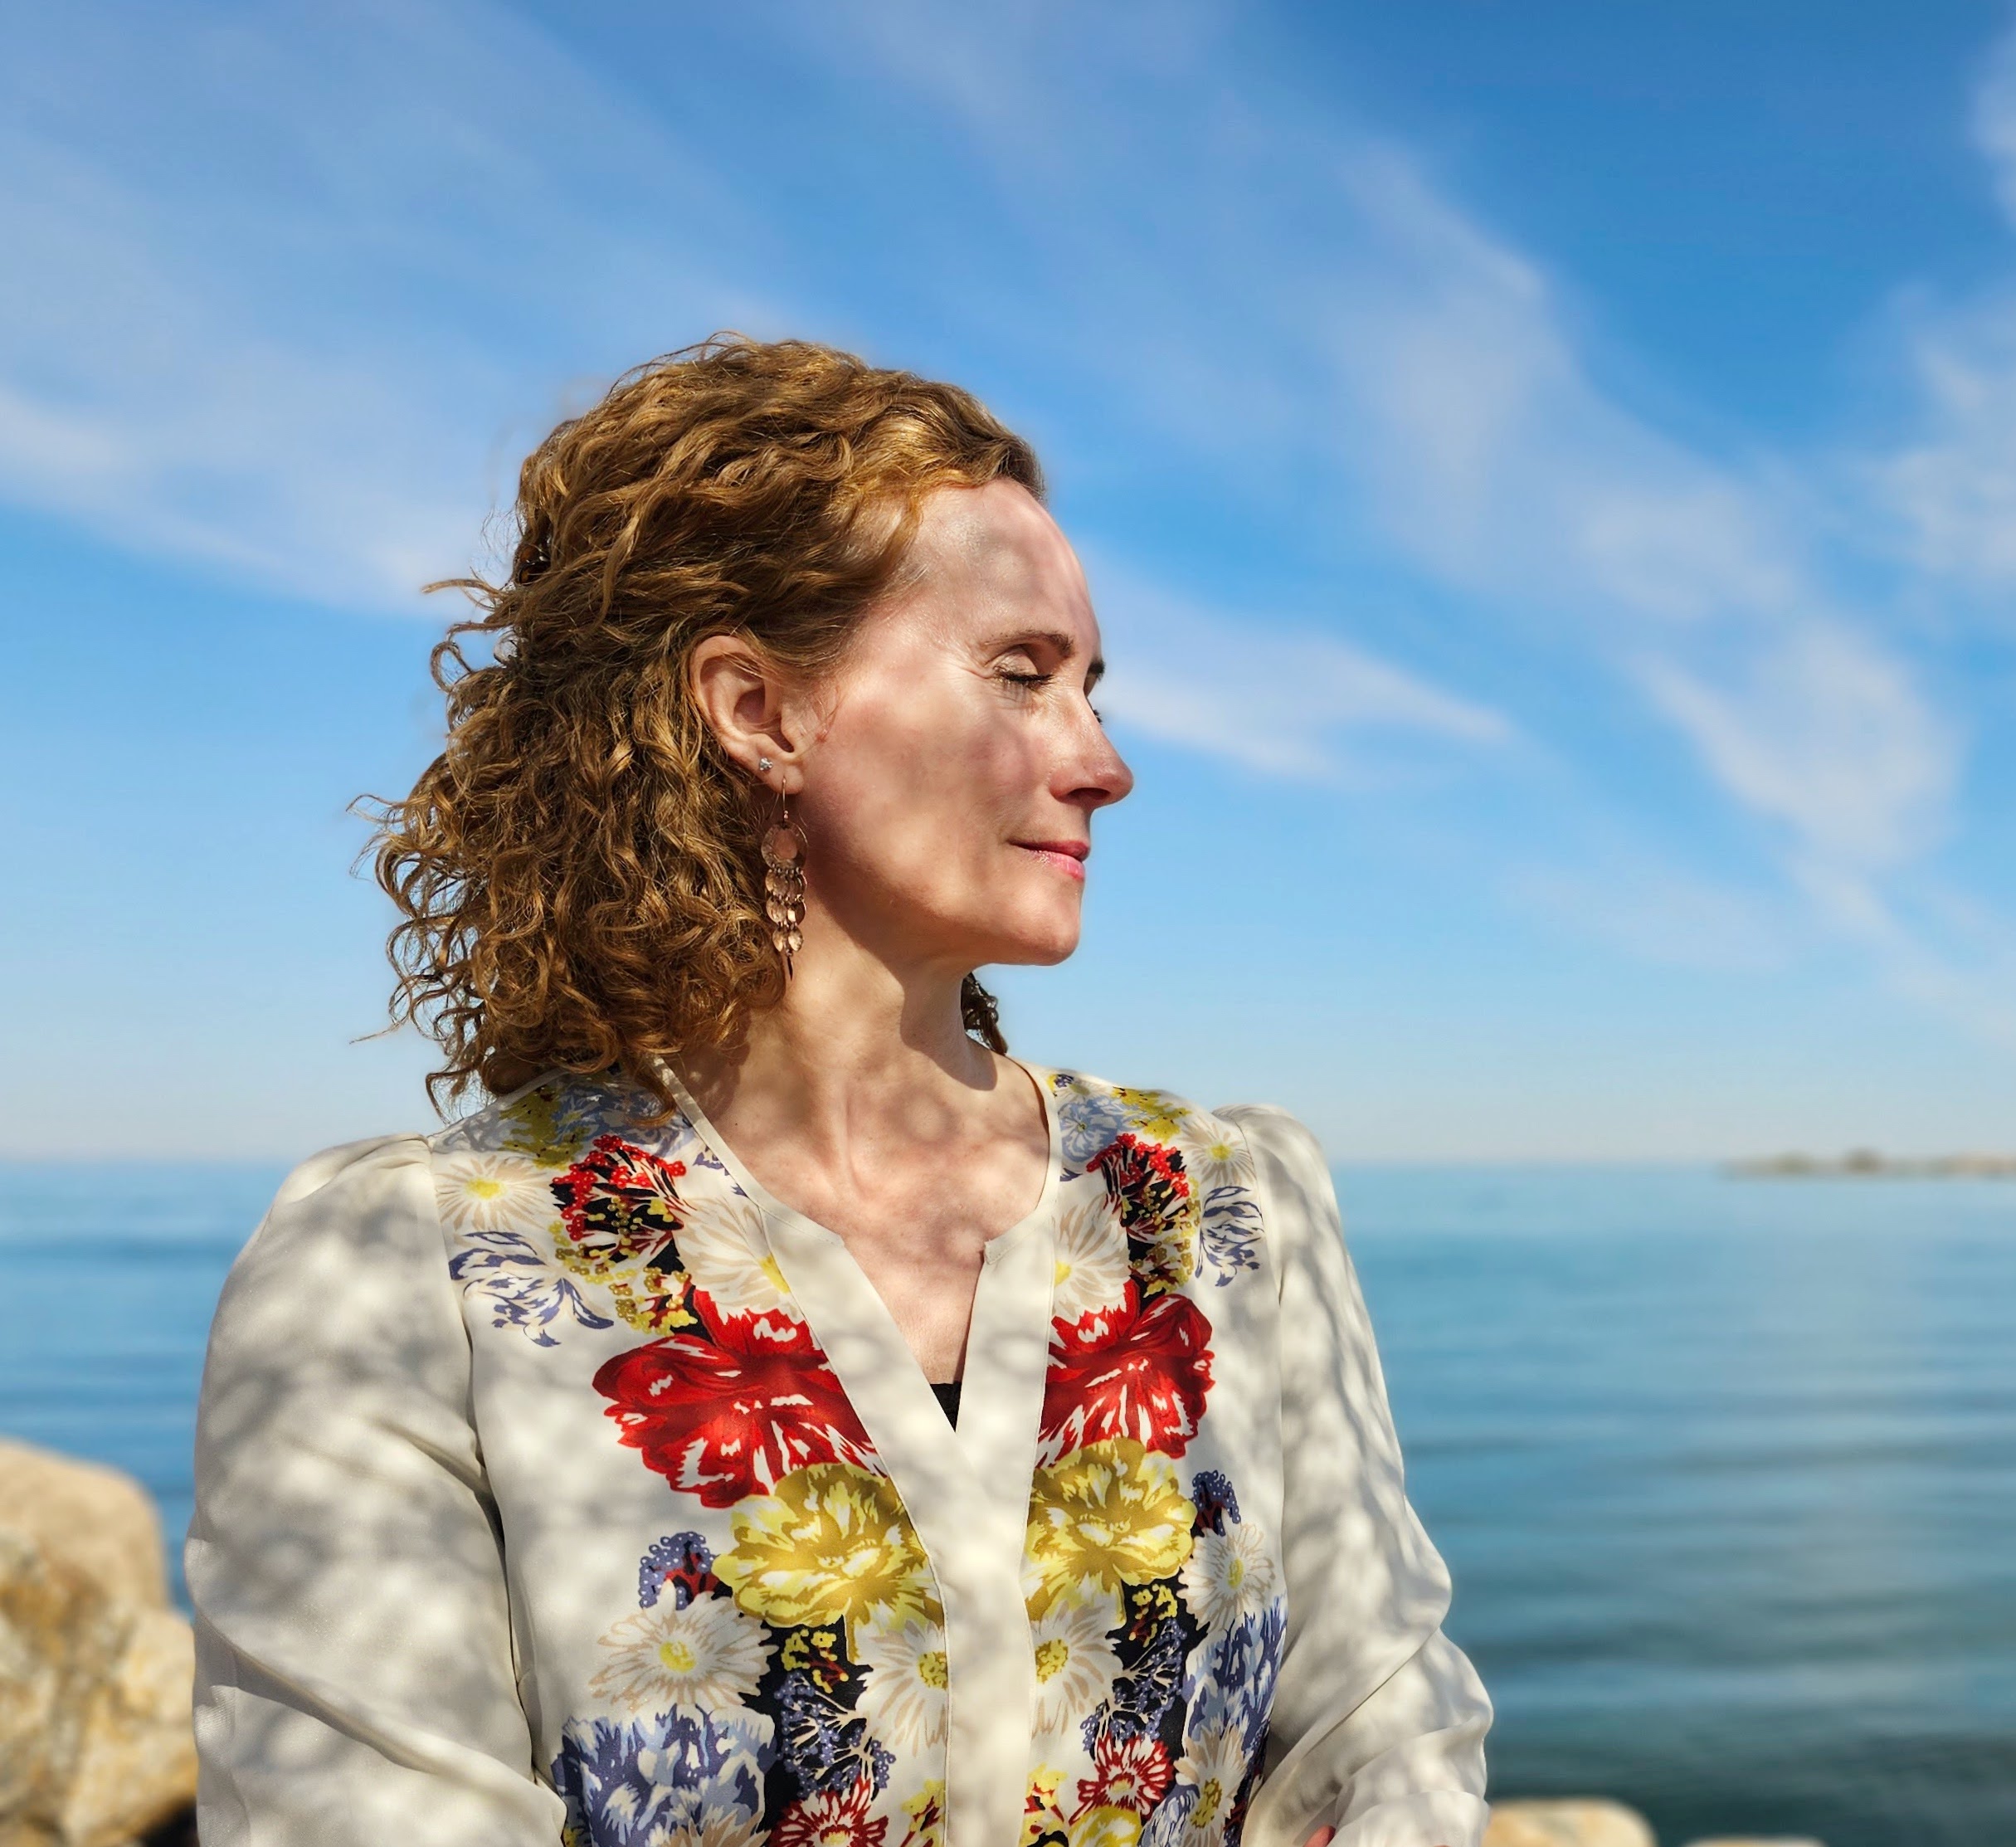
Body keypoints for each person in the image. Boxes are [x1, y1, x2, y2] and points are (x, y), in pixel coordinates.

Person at [185, 338, 1490, 1847]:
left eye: (1090, 688)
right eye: (1022, 676)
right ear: (758, 709)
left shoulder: (1225, 1206)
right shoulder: (412, 1270)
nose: (1104, 762)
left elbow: (1384, 1733)